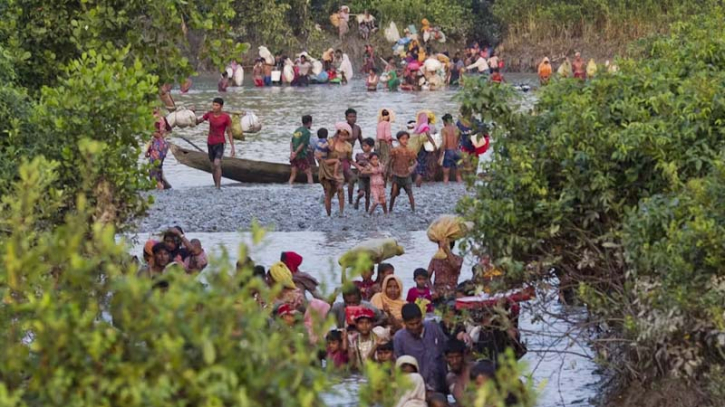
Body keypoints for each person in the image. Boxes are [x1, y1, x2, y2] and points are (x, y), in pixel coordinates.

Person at [394, 303, 448, 394]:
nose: (415, 327)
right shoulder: (399, 338)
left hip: (441, 382)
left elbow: (445, 346)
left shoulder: (433, 327)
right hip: (417, 388)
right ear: (404, 322)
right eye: (411, 324)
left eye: (418, 323)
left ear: (422, 318)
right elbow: (402, 365)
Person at [196, 97, 235, 189]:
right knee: (213, 167)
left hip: (220, 143)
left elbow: (229, 132)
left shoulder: (226, 117)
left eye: (216, 105)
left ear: (221, 106)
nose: (214, 107)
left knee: (217, 163)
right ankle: (215, 185)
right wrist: (192, 114)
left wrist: (232, 147)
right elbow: (198, 121)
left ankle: (218, 186)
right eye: (213, 105)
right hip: (210, 142)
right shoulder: (209, 114)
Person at [388, 131, 417, 213]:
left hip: (406, 175)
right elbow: (390, 162)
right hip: (396, 175)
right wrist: (389, 172)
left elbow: (416, 162)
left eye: (406, 139)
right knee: (393, 193)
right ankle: (390, 209)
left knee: (410, 193)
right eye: (403, 139)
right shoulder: (395, 151)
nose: (405, 141)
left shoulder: (410, 151)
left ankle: (413, 210)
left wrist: (412, 167)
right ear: (398, 140)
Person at [412, 112, 439, 187]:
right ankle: (418, 185)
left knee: (418, 165)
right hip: (423, 149)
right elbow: (428, 135)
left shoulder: (418, 126)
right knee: (421, 168)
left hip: (417, 148)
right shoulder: (425, 126)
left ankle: (417, 184)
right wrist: (434, 144)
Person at [445, 339, 472, 405]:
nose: (454, 361)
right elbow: (451, 400)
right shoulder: (449, 378)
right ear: (445, 358)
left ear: (463, 355)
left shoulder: (475, 370)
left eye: (457, 357)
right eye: (450, 357)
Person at [289, 115, 314, 184]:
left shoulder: (297, 130)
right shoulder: (307, 132)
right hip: (301, 155)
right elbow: (302, 144)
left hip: (293, 155)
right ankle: (311, 188)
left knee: (293, 174)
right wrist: (296, 153)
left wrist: (292, 153)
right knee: (309, 173)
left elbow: (291, 142)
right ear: (309, 123)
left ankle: (289, 186)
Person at [354, 138, 374, 211]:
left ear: (371, 147)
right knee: (362, 192)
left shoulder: (373, 156)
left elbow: (376, 164)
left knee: (368, 195)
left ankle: (367, 210)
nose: (364, 147)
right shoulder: (359, 155)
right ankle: (357, 200)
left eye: (366, 146)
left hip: (370, 177)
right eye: (363, 146)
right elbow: (356, 164)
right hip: (361, 177)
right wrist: (360, 164)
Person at [440, 113, 461, 184]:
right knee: (458, 176)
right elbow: (458, 141)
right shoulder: (457, 129)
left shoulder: (444, 130)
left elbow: (444, 143)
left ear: (445, 121)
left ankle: (445, 192)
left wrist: (440, 155)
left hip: (449, 152)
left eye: (443, 122)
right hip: (457, 151)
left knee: (446, 177)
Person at [376, 109, 394, 178]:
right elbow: (387, 135)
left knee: (381, 158)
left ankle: (381, 173)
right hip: (385, 143)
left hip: (379, 142)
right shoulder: (387, 124)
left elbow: (378, 135)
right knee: (388, 158)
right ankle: (385, 174)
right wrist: (392, 139)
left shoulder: (379, 124)